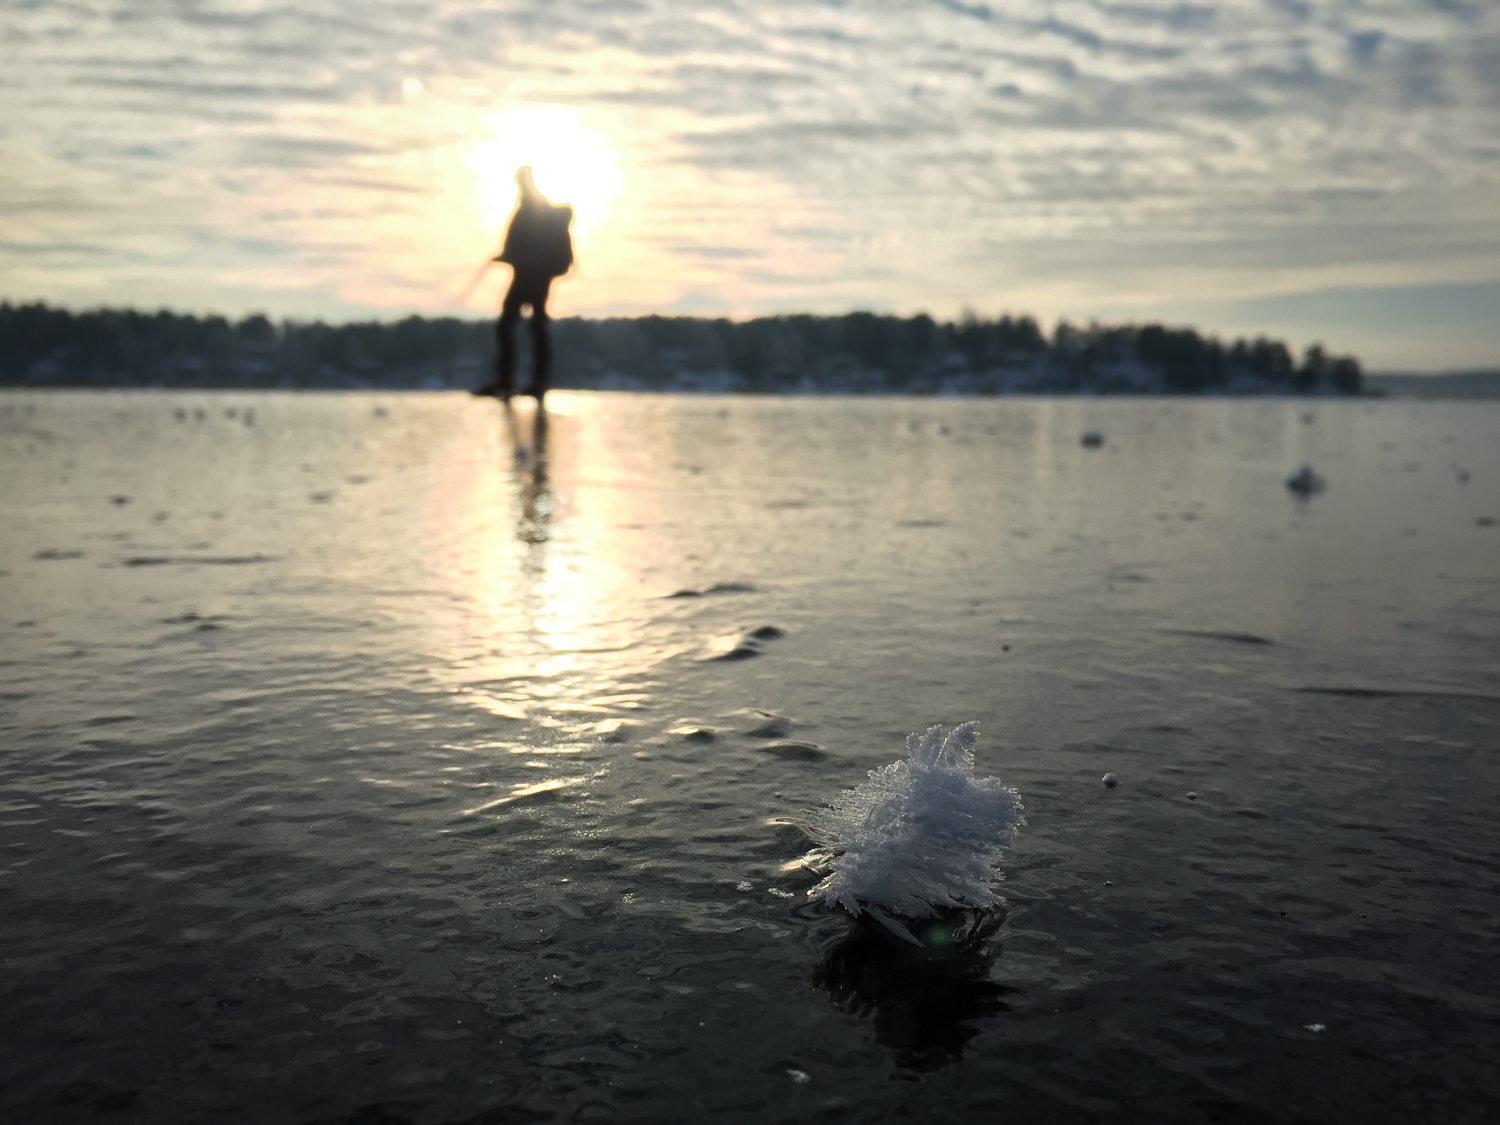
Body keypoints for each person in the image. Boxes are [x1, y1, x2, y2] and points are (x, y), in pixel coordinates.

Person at [476, 166, 573, 400]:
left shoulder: (534, 210)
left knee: (523, 327)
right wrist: (506, 256)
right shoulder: (532, 211)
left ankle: (522, 380)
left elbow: (525, 247)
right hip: (529, 276)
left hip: (533, 278)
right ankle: (518, 380)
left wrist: (513, 257)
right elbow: (518, 247)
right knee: (524, 327)